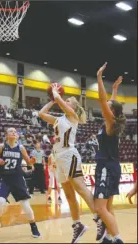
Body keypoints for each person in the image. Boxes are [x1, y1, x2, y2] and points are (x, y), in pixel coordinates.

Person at [39, 84, 98, 243]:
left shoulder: (73, 116)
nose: (65, 100)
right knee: (69, 196)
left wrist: (55, 93)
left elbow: (59, 99)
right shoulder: (59, 119)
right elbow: (41, 113)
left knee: (81, 188)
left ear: (73, 106)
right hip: (58, 159)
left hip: (69, 155)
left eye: (69, 100)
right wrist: (52, 100)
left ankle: (100, 219)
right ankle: (77, 225)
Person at [0, 128, 40, 238]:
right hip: (5, 178)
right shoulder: (1, 147)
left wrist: (32, 162)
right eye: (11, 131)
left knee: (25, 204)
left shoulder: (21, 148)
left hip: (17, 179)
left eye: (15, 132)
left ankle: (33, 226)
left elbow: (29, 163)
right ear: (6, 135)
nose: (14, 132)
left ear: (17, 136)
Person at [94, 63, 126, 243]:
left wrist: (99, 78)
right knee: (107, 207)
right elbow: (110, 103)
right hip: (111, 166)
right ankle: (108, 238)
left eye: (108, 104)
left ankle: (117, 239)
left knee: (100, 208)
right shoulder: (112, 120)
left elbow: (102, 100)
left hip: (106, 166)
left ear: (111, 111)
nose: (105, 104)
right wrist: (114, 90)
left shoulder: (110, 122)